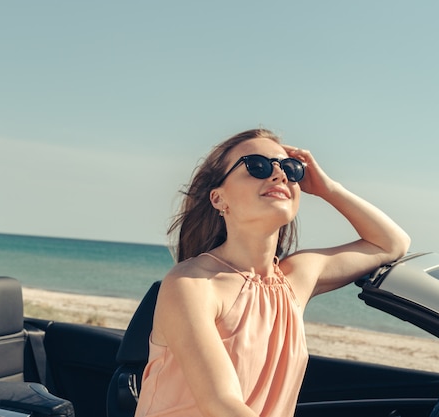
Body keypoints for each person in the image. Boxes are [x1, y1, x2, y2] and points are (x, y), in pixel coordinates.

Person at [134, 128, 411, 417]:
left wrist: (328, 188)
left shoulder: (297, 278)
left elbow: (392, 243)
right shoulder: (192, 283)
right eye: (257, 166)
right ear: (218, 198)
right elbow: (221, 404)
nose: (279, 175)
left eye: (291, 170)